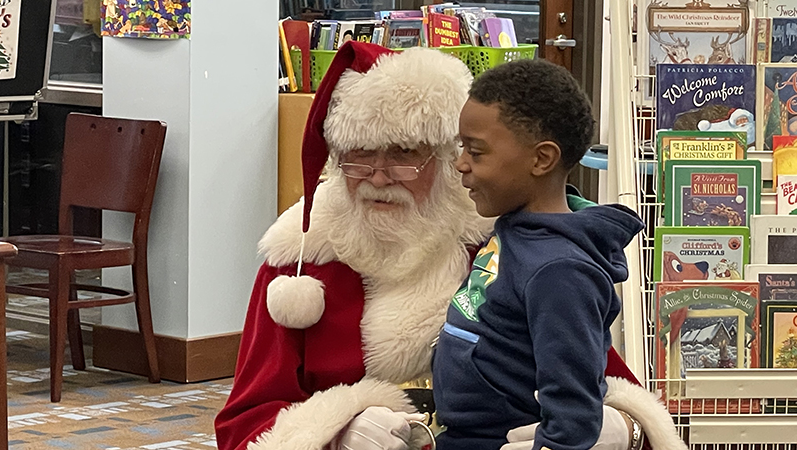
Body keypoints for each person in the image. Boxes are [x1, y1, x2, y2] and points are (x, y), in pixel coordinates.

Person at [214, 41, 685, 450]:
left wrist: (624, 429)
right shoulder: (300, 264)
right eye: (359, 157)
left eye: (404, 155)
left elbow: (601, 374)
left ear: (443, 158)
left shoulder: (506, 247)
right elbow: (244, 422)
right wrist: (329, 432)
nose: (379, 177)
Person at [431, 58, 651, 450]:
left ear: (541, 159)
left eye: (476, 152)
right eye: (461, 147)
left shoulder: (560, 271)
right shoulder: (515, 230)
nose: (461, 164)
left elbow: (574, 410)